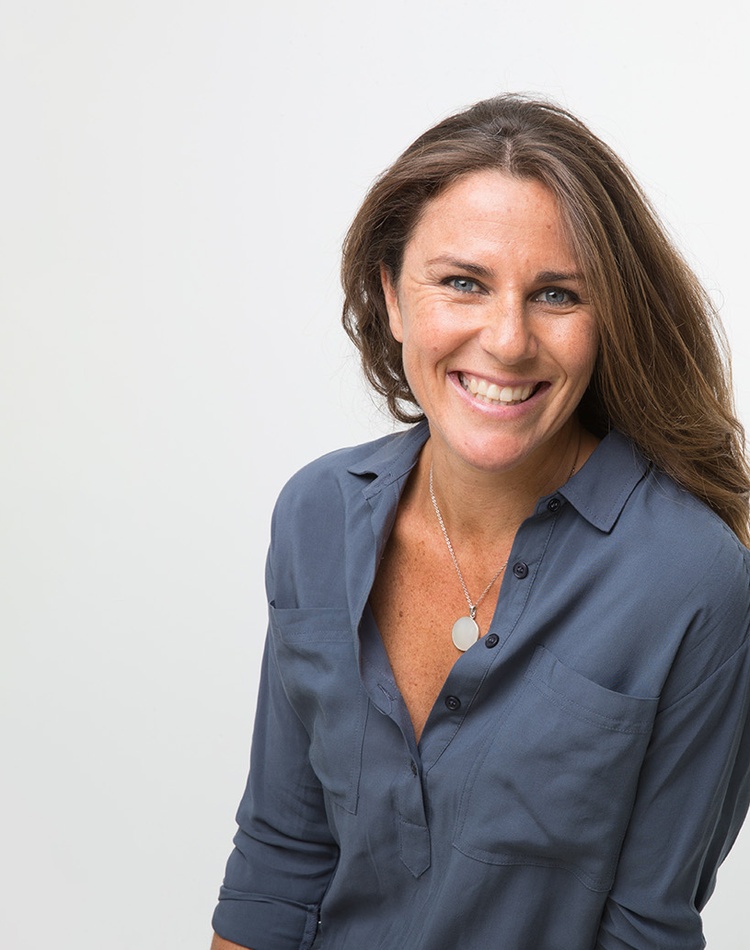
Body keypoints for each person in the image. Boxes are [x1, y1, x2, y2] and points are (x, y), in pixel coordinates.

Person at [210, 95, 750, 949]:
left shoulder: (690, 578)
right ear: (392, 298)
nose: (506, 339)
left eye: (558, 295)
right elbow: (279, 864)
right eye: (463, 282)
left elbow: (646, 930)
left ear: (607, 320)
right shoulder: (315, 514)